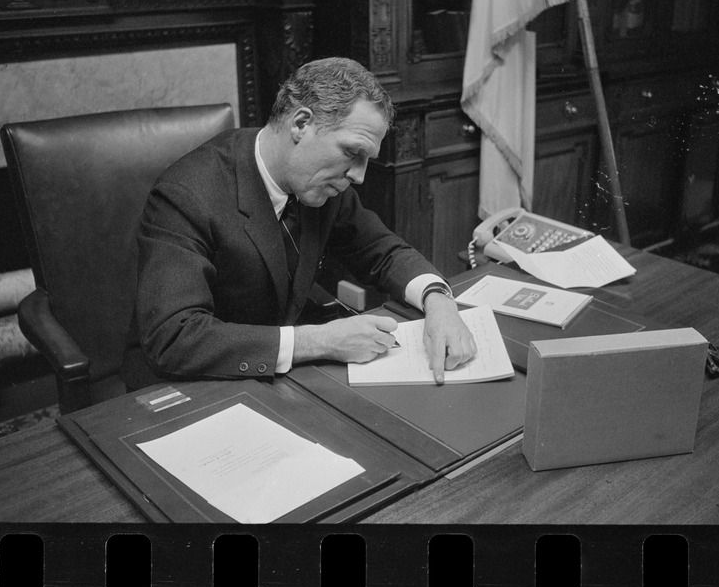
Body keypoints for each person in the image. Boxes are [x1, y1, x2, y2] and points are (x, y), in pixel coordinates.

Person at [120, 57, 477, 392]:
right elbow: (174, 338)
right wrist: (318, 341)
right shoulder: (186, 195)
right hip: (187, 387)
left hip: (274, 379)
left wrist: (439, 301)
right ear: (301, 124)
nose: (359, 176)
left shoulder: (320, 184)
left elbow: (381, 251)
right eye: (353, 153)